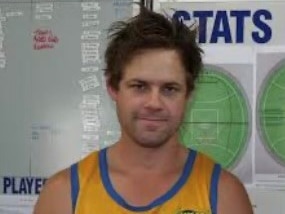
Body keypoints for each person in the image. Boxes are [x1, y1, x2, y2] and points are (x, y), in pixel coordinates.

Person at [33, 6, 253, 214]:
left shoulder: (225, 195)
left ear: (188, 94)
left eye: (169, 89)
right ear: (112, 87)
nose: (154, 103)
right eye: (139, 86)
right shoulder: (63, 195)